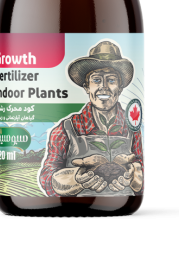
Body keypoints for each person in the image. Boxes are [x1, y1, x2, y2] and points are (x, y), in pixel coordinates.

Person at [39, 41, 145, 197]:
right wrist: (76, 178)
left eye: (111, 80)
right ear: (87, 87)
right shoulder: (66, 128)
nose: (104, 87)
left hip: (123, 201)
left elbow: (141, 168)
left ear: (120, 88)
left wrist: (135, 176)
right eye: (96, 80)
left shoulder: (132, 128)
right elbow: (47, 177)